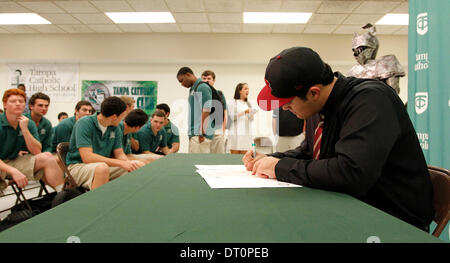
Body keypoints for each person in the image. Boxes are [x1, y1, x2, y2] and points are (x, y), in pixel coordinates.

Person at [243, 47, 434, 231]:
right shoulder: (316, 107)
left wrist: (279, 167)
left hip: (393, 220)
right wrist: (271, 159)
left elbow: (351, 172)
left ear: (314, 92)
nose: (284, 109)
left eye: (288, 103)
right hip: (352, 208)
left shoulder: (370, 100)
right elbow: (309, 152)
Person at [65, 96, 144, 190]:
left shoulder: (116, 128)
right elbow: (87, 157)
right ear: (114, 116)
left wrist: (128, 163)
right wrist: (120, 163)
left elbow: (119, 154)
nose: (123, 119)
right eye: (123, 116)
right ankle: (96, 203)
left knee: (138, 166)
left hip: (103, 165)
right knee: (102, 169)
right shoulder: (84, 123)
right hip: (78, 166)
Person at [0, 88, 65, 192]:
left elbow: (37, 152)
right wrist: (13, 171)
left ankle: (63, 195)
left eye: (21, 102)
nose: (18, 104)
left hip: (13, 160)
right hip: (2, 164)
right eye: (13, 101)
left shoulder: (28, 123)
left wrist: (25, 129)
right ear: (5, 104)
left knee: (47, 157)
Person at [347, 23, 405, 95]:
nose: (358, 53)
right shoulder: (353, 71)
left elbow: (393, 93)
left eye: (361, 49)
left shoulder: (385, 64)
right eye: (355, 50)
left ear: (372, 48)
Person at [177, 67, 213, 153]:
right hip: (195, 134)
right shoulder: (193, 88)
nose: (181, 84)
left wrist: (201, 132)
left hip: (200, 135)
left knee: (200, 164)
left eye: (182, 80)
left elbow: (207, 110)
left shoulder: (202, 87)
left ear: (188, 75)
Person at [201, 70, 227, 153]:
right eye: (204, 78)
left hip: (217, 130)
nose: (206, 81)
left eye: (209, 78)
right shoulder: (199, 94)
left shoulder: (219, 94)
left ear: (214, 80)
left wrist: (223, 131)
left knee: (219, 157)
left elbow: (225, 112)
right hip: (204, 131)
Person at [227, 83, 258, 154]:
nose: (247, 91)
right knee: (235, 155)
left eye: (248, 89)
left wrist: (251, 114)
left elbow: (251, 119)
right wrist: (244, 112)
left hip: (246, 132)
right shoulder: (233, 102)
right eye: (245, 89)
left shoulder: (249, 103)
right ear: (240, 91)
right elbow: (232, 117)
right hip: (235, 131)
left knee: (246, 155)